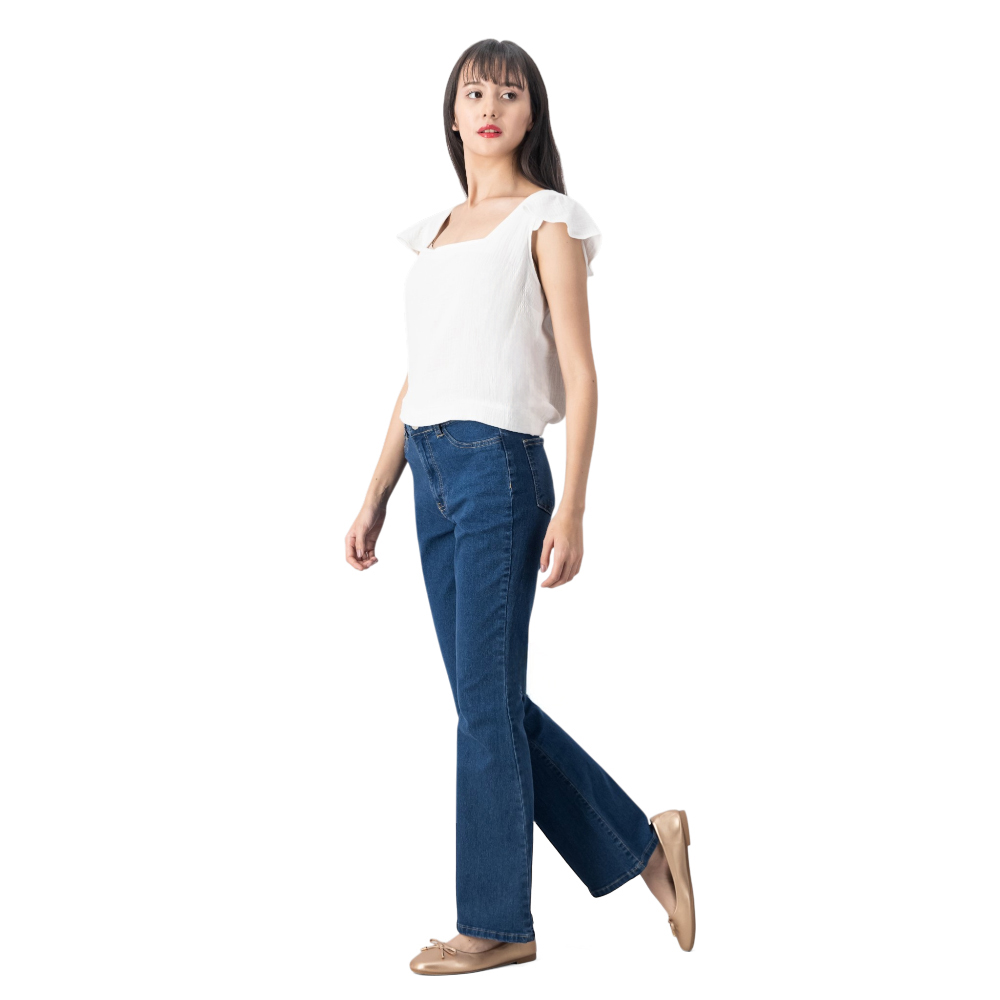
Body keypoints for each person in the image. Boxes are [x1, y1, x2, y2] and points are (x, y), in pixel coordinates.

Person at [345, 38, 697, 975]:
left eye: (509, 92)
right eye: (475, 92)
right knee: (487, 705)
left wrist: (574, 505)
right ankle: (645, 845)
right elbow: (423, 372)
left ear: (531, 112)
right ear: (453, 114)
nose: (491, 106)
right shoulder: (436, 233)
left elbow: (581, 372)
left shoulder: (547, 219)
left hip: (501, 470)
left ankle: (498, 922)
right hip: (430, 469)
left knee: (483, 713)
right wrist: (376, 490)